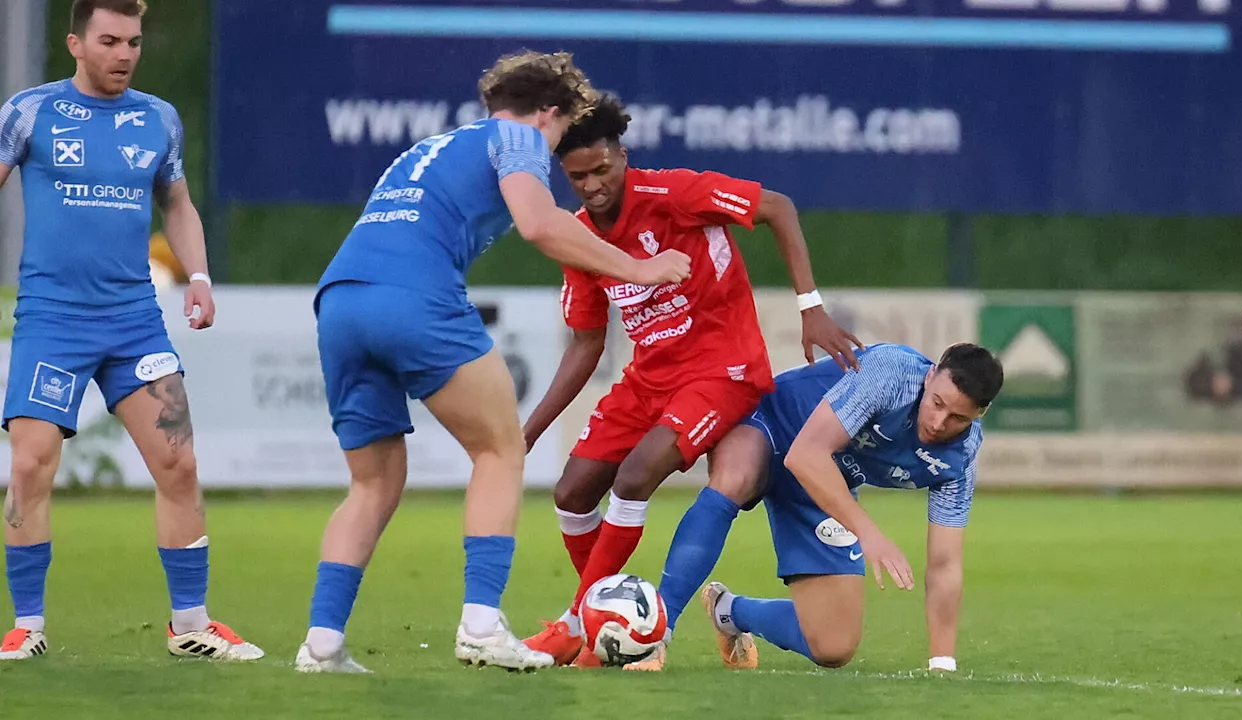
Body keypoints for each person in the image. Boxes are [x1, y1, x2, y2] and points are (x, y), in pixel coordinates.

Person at [294, 52, 692, 674]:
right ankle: (481, 625)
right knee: (500, 449)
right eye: (561, 136)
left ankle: (320, 645)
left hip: (340, 300)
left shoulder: (431, 147)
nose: (557, 155)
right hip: (414, 296)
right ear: (551, 114)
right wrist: (640, 268)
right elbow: (539, 223)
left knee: (373, 481)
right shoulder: (520, 137)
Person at [520, 94, 862, 667]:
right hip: (648, 377)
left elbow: (777, 206)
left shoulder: (674, 194)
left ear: (622, 156)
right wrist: (526, 432)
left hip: (722, 370)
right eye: (578, 176)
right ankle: (616, 620)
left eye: (603, 169)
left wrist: (810, 305)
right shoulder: (577, 237)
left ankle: (577, 625)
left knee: (633, 478)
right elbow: (586, 344)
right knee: (572, 492)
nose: (593, 185)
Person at [0, 0, 263, 662]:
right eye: (111, 41)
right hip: (53, 321)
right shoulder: (29, 112)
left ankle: (192, 625)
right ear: (75, 44)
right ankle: (26, 628)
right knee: (30, 465)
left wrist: (199, 278)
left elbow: (176, 202)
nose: (125, 54)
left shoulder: (157, 119)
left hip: (135, 322)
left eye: (135, 42)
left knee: (180, 463)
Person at [630, 342, 1002, 673]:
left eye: (958, 418)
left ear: (979, 414)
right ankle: (655, 635)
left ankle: (729, 611)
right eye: (937, 403)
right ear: (930, 376)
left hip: (823, 478)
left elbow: (945, 564)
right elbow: (805, 454)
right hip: (773, 426)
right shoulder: (892, 371)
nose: (939, 423)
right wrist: (868, 533)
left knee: (833, 645)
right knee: (735, 479)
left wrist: (942, 664)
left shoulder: (961, 456)